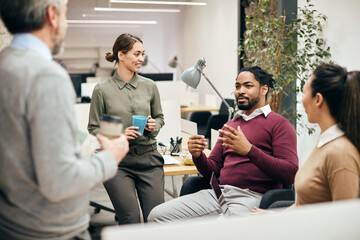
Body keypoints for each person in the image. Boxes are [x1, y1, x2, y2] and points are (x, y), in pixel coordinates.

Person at [0, 1, 129, 239]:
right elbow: (60, 181)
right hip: (50, 231)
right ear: (52, 15)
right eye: (66, 15)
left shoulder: (5, 62)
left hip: (11, 222)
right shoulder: (47, 76)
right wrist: (111, 156)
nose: (66, 23)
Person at [148, 66, 299, 222]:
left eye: (248, 86)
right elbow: (212, 170)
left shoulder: (280, 125)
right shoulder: (231, 124)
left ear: (263, 89)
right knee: (156, 216)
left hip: (251, 197)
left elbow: (290, 174)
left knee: (218, 232)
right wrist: (198, 155)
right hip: (218, 193)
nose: (240, 91)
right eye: (237, 86)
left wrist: (249, 151)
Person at [252, 64, 360, 213]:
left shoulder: (340, 153)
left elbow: (345, 222)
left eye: (304, 93)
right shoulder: (325, 143)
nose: (302, 100)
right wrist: (273, 216)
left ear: (318, 100)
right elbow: (305, 203)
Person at [88, 33, 165, 224]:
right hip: (118, 163)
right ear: (120, 55)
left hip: (149, 159)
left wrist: (154, 125)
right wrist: (118, 136)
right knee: (130, 219)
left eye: (142, 54)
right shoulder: (102, 89)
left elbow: (160, 117)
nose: (141, 59)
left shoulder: (150, 86)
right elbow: (94, 126)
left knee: (156, 218)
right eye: (136, 54)